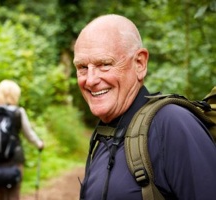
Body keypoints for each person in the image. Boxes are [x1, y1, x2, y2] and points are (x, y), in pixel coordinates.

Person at [73, 14, 216, 200]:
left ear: (140, 63)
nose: (90, 80)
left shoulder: (172, 124)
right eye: (82, 67)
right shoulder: (104, 135)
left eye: (104, 64)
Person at [0, 79, 44, 200]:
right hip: (14, 162)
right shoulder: (18, 112)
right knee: (13, 195)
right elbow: (29, 135)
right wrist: (39, 144)